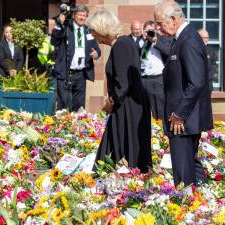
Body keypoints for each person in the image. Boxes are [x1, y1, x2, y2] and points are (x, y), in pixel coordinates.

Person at [154, 0, 213, 186]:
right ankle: (201, 204)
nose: (158, 28)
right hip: (183, 117)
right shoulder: (182, 38)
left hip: (182, 119)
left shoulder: (188, 40)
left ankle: (184, 206)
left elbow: (196, 82)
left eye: (160, 23)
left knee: (183, 172)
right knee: (191, 165)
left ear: (172, 19)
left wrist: (179, 114)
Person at [86, 8, 152, 172]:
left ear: (102, 30)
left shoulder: (121, 46)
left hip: (127, 105)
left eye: (94, 31)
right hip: (129, 102)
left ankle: (107, 178)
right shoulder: (126, 42)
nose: (92, 35)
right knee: (118, 144)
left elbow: (123, 83)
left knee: (116, 145)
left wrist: (110, 103)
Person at [51, 4, 101, 112]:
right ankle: (62, 127)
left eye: (84, 15)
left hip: (81, 74)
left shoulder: (88, 30)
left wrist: (96, 54)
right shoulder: (66, 26)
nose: (82, 17)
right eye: (79, 14)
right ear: (74, 15)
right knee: (63, 104)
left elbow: (97, 48)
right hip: (65, 72)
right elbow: (54, 41)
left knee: (79, 106)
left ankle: (78, 127)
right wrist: (59, 23)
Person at [140, 20, 166, 120]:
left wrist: (155, 40)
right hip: (145, 79)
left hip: (158, 79)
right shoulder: (142, 43)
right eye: (147, 31)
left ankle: (159, 132)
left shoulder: (162, 40)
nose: (149, 33)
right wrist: (143, 37)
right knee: (145, 108)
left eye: (151, 30)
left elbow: (167, 51)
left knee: (159, 108)